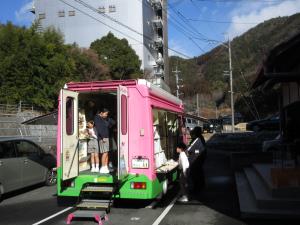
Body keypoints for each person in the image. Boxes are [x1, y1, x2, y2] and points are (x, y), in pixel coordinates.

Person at [94, 108, 116, 174]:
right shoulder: (97, 118)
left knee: (107, 152)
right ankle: (103, 167)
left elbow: (113, 123)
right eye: (105, 114)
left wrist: (107, 118)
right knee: (104, 152)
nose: (106, 115)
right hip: (102, 138)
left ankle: (106, 166)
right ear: (101, 113)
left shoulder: (104, 118)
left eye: (107, 114)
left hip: (106, 137)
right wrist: (103, 137)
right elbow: (99, 128)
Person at [187, 126, 206, 194]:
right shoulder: (201, 138)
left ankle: (197, 188)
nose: (191, 135)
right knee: (199, 173)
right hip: (200, 159)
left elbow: (197, 150)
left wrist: (193, 152)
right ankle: (200, 186)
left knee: (195, 173)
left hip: (197, 159)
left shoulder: (198, 139)